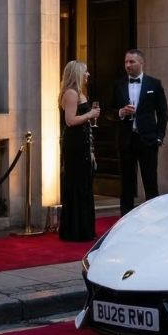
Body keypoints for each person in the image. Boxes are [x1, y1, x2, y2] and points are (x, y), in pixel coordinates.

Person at [111, 49, 168, 215]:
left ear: (141, 63)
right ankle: (124, 219)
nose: (128, 65)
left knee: (150, 182)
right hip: (126, 140)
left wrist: (159, 137)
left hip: (148, 141)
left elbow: (163, 113)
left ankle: (154, 217)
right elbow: (109, 111)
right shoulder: (118, 84)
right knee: (126, 184)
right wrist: (121, 112)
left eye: (132, 62)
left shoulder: (154, 84)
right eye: (126, 62)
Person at [58, 60, 99, 242]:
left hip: (82, 142)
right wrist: (90, 115)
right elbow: (70, 121)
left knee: (84, 184)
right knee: (76, 184)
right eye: (85, 71)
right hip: (74, 145)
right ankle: (75, 230)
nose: (88, 74)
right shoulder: (71, 93)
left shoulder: (80, 93)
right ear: (77, 73)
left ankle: (84, 228)